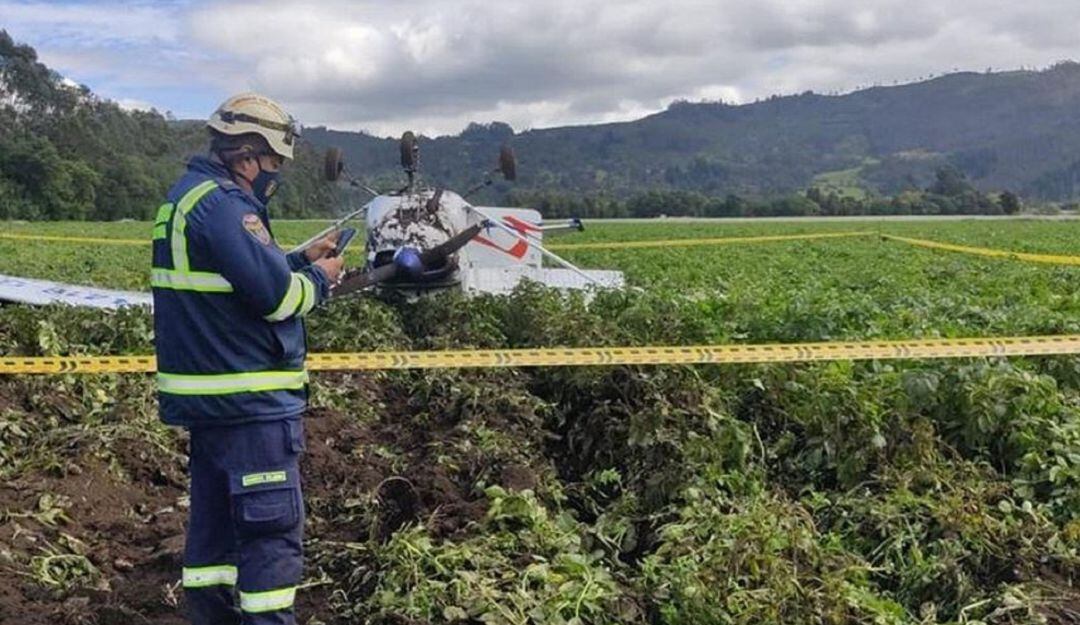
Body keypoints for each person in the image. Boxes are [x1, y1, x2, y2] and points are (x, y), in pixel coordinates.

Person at [151, 92, 343, 625]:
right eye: (274, 162)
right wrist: (319, 281)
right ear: (246, 156)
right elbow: (277, 299)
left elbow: (235, 278)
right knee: (268, 540)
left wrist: (295, 259)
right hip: (250, 406)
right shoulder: (224, 207)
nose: (275, 174)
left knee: (213, 539)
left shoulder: (188, 198)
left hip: (213, 407)